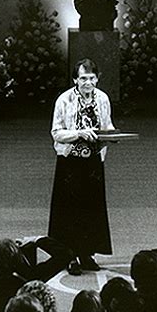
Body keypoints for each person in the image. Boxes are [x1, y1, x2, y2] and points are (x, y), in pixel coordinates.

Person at [48, 58, 115, 275]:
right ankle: (69, 256)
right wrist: (78, 134)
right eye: (83, 78)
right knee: (69, 209)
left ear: (97, 78)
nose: (88, 83)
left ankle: (87, 253)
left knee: (91, 208)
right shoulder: (64, 100)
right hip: (70, 162)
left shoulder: (103, 98)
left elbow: (107, 125)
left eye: (91, 78)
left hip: (93, 162)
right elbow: (56, 132)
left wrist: (112, 135)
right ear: (75, 79)